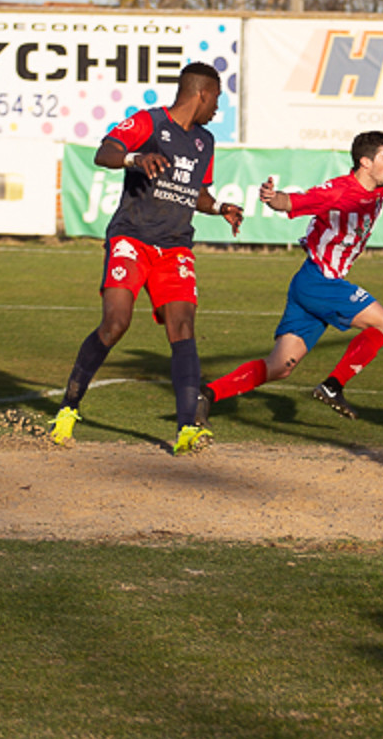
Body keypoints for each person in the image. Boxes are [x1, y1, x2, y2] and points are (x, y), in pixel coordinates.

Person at [201, 131, 383, 421]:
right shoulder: (338, 190)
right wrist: (271, 197)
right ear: (366, 162)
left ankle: (206, 396)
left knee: (280, 366)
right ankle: (333, 386)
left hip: (309, 281)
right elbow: (292, 202)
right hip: (320, 281)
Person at [49, 63, 244, 455]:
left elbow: (196, 193)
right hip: (132, 238)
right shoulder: (149, 123)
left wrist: (219, 206)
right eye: (217, 99)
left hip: (175, 246)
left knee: (183, 328)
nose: (217, 109)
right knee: (115, 323)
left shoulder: (205, 141)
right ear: (201, 94)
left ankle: (187, 427)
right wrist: (135, 159)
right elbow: (105, 153)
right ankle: (68, 408)